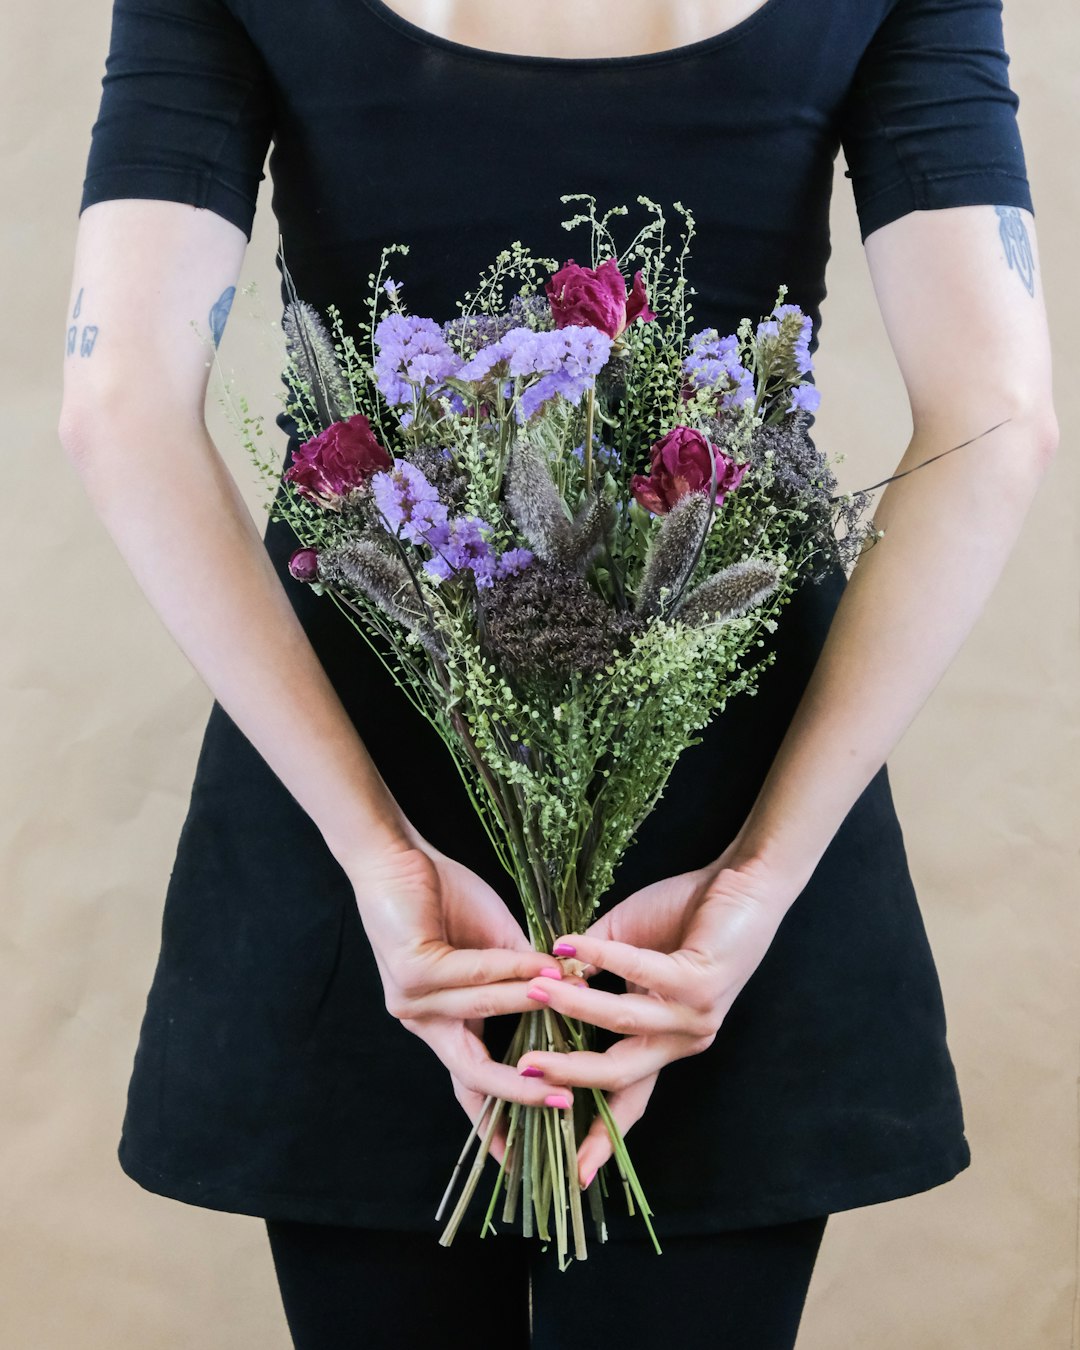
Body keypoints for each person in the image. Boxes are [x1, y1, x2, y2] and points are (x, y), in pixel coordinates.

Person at [61, 0, 1056, 1344]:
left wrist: (381, 857)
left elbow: (113, 397)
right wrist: (755, 881)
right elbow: (999, 415)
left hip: (365, 811)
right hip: (720, 827)